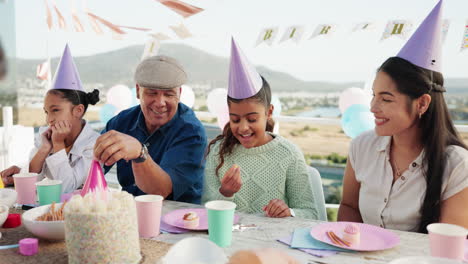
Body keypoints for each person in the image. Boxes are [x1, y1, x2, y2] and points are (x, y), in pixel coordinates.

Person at [338, 0, 468, 232]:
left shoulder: (457, 166)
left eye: (386, 99)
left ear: (422, 103)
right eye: (373, 95)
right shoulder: (361, 147)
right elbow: (349, 206)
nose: (373, 107)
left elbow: (449, 244)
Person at [202, 38, 319, 219]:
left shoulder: (288, 154)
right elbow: (205, 210)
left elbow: (311, 213)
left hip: (272, 244)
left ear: (269, 112)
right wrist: (225, 193)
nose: (243, 127)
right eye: (235, 119)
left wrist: (289, 212)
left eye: (252, 119)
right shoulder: (218, 152)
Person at [93, 55, 207, 204]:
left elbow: (160, 191)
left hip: (179, 219)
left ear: (179, 93)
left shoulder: (192, 132)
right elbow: (93, 165)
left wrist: (139, 153)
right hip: (129, 214)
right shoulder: (122, 121)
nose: (160, 102)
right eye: (152, 93)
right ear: (138, 91)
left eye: (168, 94)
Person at [1, 45, 100, 193]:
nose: (49, 119)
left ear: (78, 110)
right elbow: (33, 181)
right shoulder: (46, 136)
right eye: (46, 112)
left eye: (55, 110)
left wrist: (58, 144)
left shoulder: (94, 144)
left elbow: (66, 187)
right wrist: (44, 149)